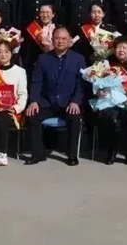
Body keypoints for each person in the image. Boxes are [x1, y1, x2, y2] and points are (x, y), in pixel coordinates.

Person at [24, 27, 87, 166]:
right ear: (52, 40)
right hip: (47, 102)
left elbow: (81, 84)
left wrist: (75, 101)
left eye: (64, 38)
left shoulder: (78, 59)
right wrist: (34, 101)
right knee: (32, 115)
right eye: (57, 38)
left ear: (70, 41)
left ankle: (72, 155)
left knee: (75, 118)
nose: (60, 41)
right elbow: (36, 82)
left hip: (68, 103)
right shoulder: (43, 58)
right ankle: (37, 154)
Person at [98, 37, 127, 165]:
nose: (121, 50)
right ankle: (112, 151)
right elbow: (98, 83)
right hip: (110, 101)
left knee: (126, 116)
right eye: (119, 47)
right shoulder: (107, 64)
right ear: (114, 50)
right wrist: (99, 92)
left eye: (124, 48)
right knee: (112, 117)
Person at [21, 4, 57, 75]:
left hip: (54, 63)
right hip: (35, 64)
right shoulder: (32, 28)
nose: (45, 15)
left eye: (47, 12)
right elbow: (27, 50)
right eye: (42, 12)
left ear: (53, 14)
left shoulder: (58, 28)